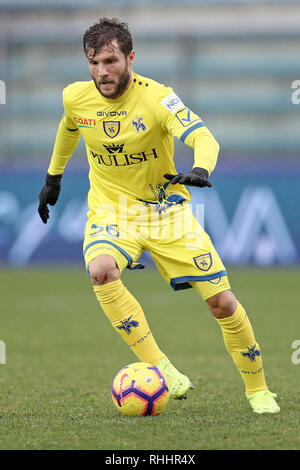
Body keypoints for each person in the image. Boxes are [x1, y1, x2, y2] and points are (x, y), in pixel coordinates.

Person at [38, 17, 280, 414]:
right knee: (100, 269)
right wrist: (53, 177)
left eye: (111, 61)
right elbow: (69, 128)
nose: (103, 72)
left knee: (222, 303)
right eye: (94, 63)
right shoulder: (75, 98)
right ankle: (161, 368)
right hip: (112, 211)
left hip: (167, 213)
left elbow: (203, 135)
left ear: (131, 57)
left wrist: (201, 168)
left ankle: (259, 391)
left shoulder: (158, 98)